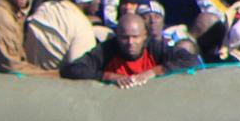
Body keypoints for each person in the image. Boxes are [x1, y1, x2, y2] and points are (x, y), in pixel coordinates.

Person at [60, 9, 194, 86]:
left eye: (135, 37)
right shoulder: (107, 50)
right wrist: (108, 76)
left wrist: (155, 71)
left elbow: (192, 61)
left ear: (145, 36)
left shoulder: (155, 48)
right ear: (117, 36)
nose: (130, 42)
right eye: (125, 37)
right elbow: (72, 69)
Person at [25, 0, 106, 74]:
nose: (99, 1)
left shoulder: (45, 7)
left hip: (29, 73)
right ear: (87, 0)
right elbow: (79, 71)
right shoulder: (82, 27)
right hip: (54, 82)